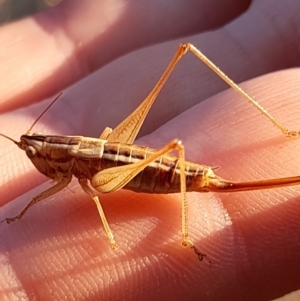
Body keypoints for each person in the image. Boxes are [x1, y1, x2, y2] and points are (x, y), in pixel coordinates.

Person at [1, 1, 300, 300]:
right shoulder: (69, 150)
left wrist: (109, 237)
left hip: (145, 170)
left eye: (34, 152)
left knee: (182, 60)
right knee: (107, 140)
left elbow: (95, 194)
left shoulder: (73, 166)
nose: (35, 158)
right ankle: (283, 132)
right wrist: (24, 210)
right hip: (114, 159)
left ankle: (185, 236)